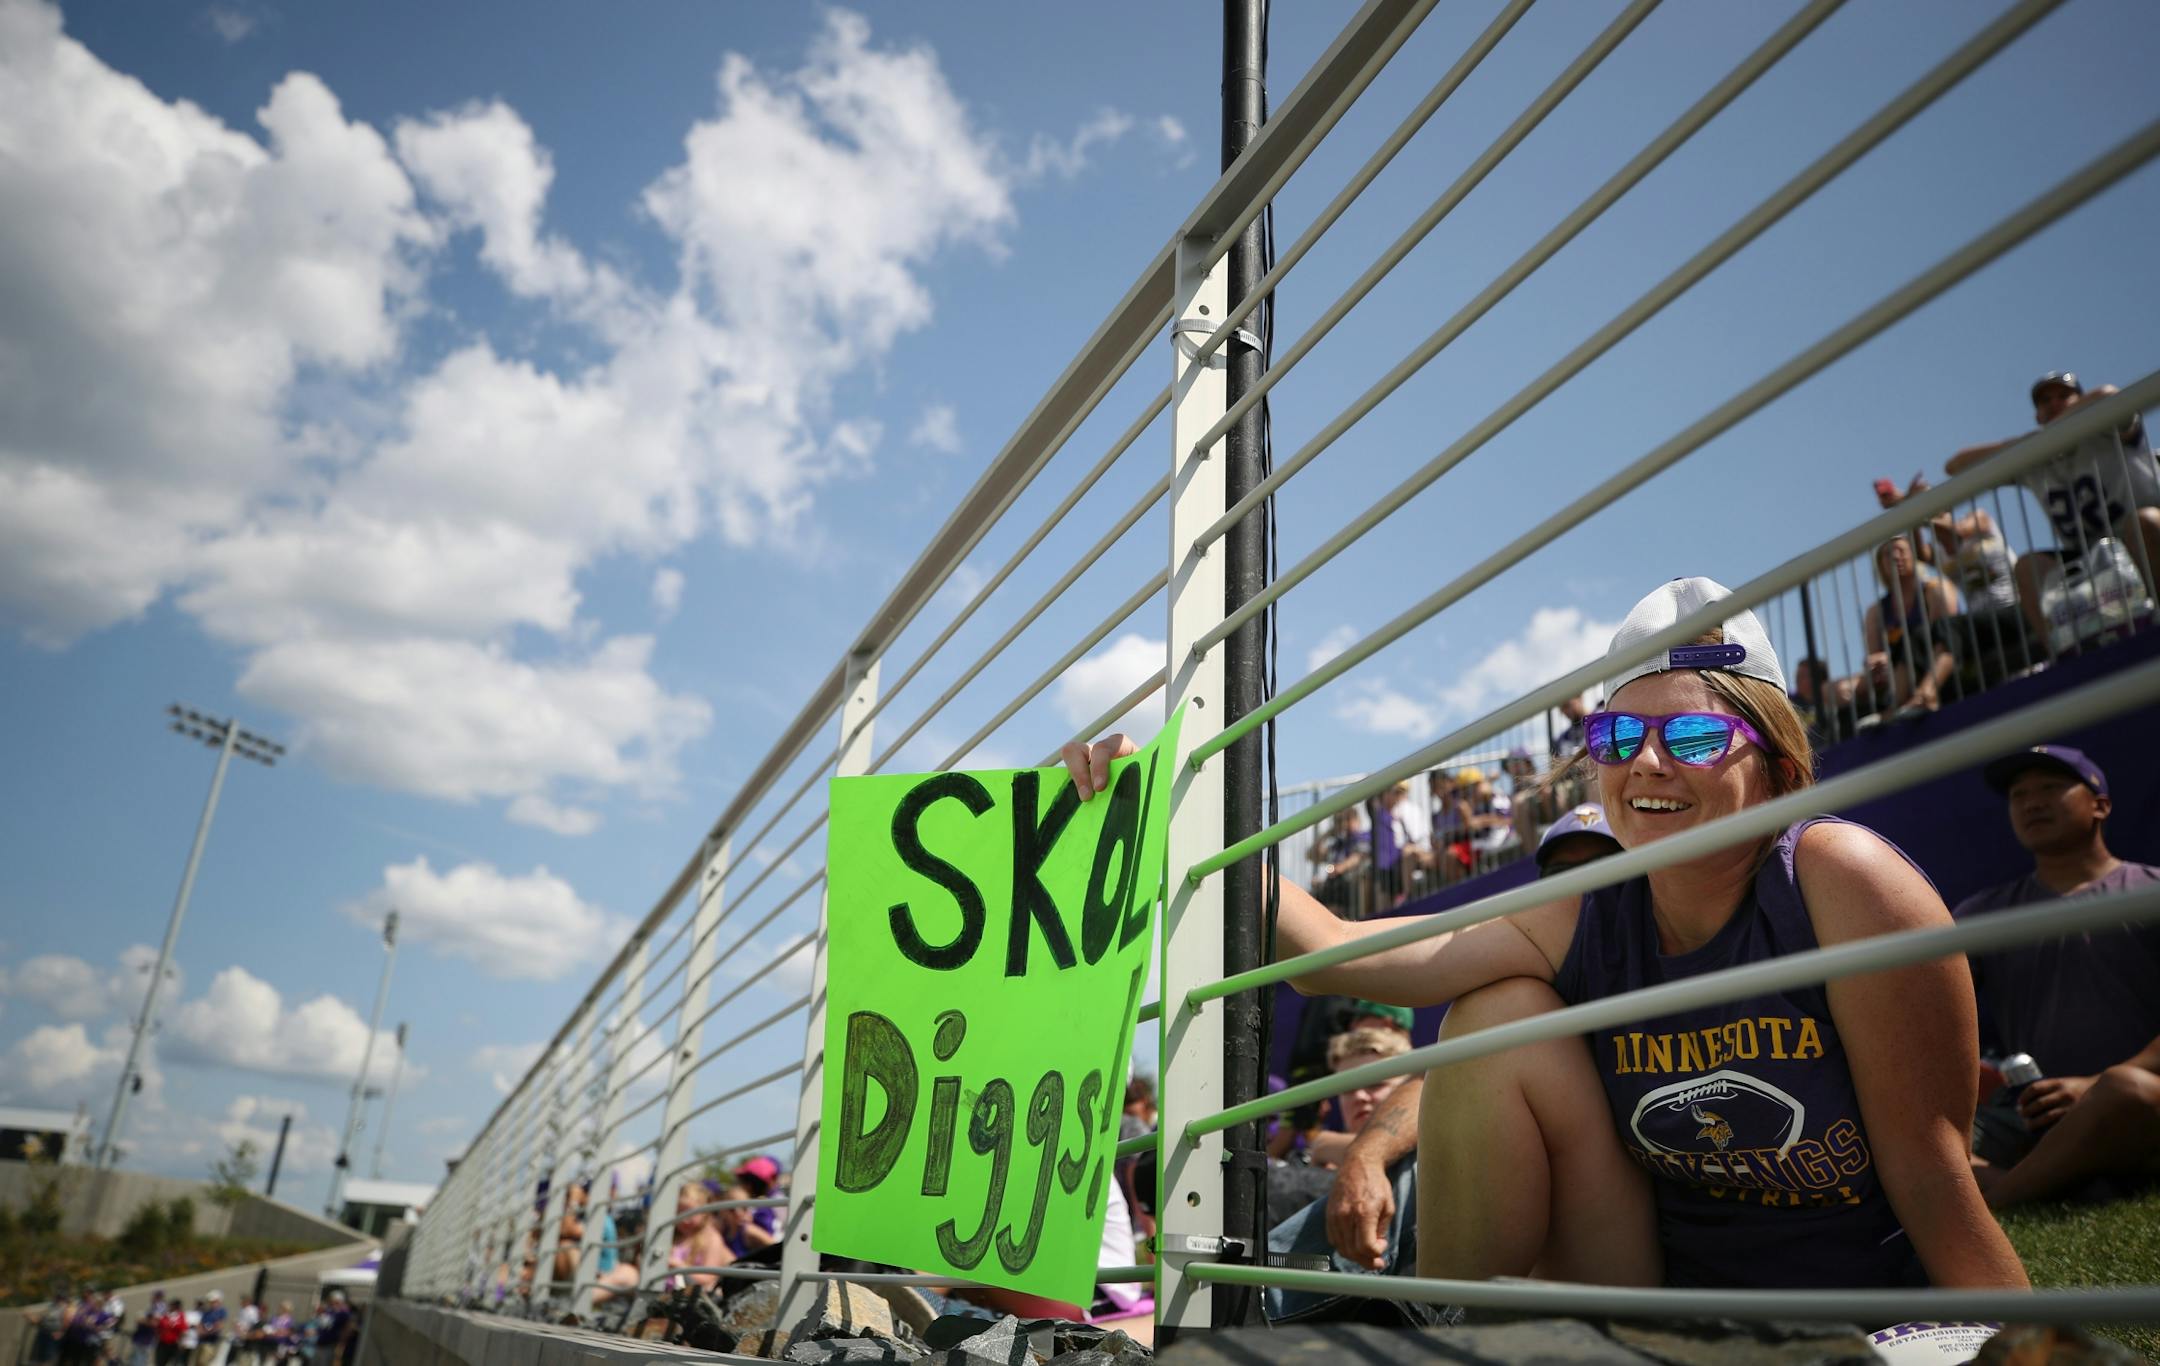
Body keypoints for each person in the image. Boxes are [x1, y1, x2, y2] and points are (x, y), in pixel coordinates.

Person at [1065, 577, 2027, 1293]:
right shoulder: (1584, 910)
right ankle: (1465, 1331)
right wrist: (1161, 815)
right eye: (1616, 739)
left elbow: (1932, 1175)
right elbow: (1333, 960)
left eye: (1693, 739)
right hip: (1660, 1296)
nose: (1647, 763)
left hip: (1860, 1309)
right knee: (1497, 1013)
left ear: (1776, 765)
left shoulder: (1839, 879)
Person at [1315, 805, 1624, 1278]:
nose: (1580, 889)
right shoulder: (1525, 974)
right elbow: (1433, 1084)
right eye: (1561, 874)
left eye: (1604, 868)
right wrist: (1366, 1155)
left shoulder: (1665, 963)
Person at [1950, 745, 2160, 1209]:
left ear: (2100, 805)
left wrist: (2093, 1085)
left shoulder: (2150, 891)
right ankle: (2061, 1183)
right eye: (2019, 794)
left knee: (2128, 1091)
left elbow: (2123, 1090)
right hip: (2029, 1113)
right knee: (1919, 1138)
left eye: (2051, 787)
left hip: (2135, 1101)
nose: (2032, 802)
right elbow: (1926, 1005)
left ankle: (2008, 1197)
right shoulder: (1983, 914)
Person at [1947, 371, 2160, 639]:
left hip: (2145, 538)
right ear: (2037, 416)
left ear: (2081, 400)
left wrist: (2065, 423)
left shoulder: (2107, 427)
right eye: (2045, 401)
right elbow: (1955, 466)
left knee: (2144, 523)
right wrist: (2026, 444)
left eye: (2064, 396)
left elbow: (2109, 394)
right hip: (2089, 559)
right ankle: (2064, 658)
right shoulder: (2036, 456)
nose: (2054, 404)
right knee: (2027, 567)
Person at [1861, 537, 1962, 716]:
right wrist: (1876, 664)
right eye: (1886, 554)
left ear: (1915, 555)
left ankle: (1901, 707)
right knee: (1832, 690)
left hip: (1930, 662)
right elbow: (1874, 655)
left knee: (1918, 640)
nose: (1894, 556)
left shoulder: (1936, 589)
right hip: (1892, 671)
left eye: (1901, 550)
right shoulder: (1876, 611)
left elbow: (1947, 636)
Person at [193, 1290, 227, 1366]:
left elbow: (219, 1326)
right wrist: (201, 1331)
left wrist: (206, 1332)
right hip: (201, 1341)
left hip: (210, 1343)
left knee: (204, 1362)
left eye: (213, 1301)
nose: (211, 1304)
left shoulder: (221, 1311)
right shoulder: (207, 1312)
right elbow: (200, 1324)